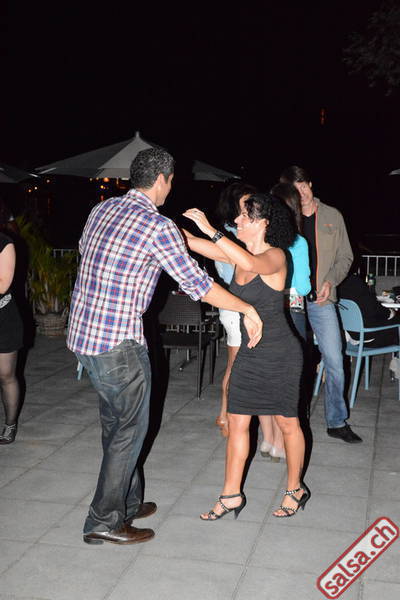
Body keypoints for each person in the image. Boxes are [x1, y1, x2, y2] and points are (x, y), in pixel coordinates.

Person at [66, 148, 263, 545]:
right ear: (161, 179)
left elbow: (87, 253)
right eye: (171, 180)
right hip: (117, 342)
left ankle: (127, 501)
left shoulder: (102, 209)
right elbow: (199, 285)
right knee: (129, 430)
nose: (171, 187)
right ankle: (103, 520)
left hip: (83, 336)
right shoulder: (157, 226)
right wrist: (246, 307)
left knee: (117, 425)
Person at [183, 192, 310, 519]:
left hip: (280, 354)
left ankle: (295, 488)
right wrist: (161, 224)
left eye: (244, 216)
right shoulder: (238, 256)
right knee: (237, 422)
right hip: (250, 354)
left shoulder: (276, 256)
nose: (237, 220)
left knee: (288, 423)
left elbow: (251, 263)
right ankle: (230, 495)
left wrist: (211, 230)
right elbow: (192, 243)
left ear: (264, 222)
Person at [280, 165, 362, 443]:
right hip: (292, 299)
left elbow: (346, 256)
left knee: (335, 360)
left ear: (311, 184)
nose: (301, 192)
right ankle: (293, 419)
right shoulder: (285, 216)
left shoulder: (332, 216)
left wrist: (330, 281)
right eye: (295, 189)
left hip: (323, 299)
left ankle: (337, 421)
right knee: (295, 360)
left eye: (303, 185)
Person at [258, 183, 311, 461]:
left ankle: (267, 439)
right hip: (291, 313)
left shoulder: (261, 241)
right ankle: (280, 442)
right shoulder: (297, 242)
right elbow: (303, 287)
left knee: (264, 377)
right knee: (287, 381)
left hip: (263, 312)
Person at [212, 182, 257, 437]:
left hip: (237, 306)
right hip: (235, 306)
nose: (249, 209)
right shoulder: (229, 236)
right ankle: (227, 417)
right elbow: (233, 276)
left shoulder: (235, 233)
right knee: (235, 364)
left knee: (235, 364)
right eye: (244, 205)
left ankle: (224, 414)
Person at [0, 231, 23, 444]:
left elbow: (3, 284)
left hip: (3, 319)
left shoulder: (4, 243)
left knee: (6, 374)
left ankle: (10, 425)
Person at [338, 272, 400, 347]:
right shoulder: (354, 282)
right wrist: (390, 312)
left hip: (353, 336)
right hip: (370, 337)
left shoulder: (337, 283)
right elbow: (373, 309)